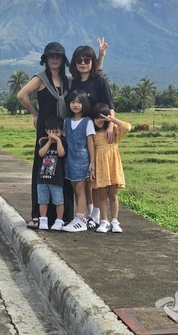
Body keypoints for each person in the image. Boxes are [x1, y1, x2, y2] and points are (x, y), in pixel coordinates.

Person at [17, 42, 72, 229]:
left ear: (63, 60)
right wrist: (35, 113)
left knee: (63, 169)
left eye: (58, 56)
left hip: (64, 131)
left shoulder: (68, 80)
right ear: (46, 59)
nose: (54, 59)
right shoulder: (40, 79)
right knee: (42, 170)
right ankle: (38, 216)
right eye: (51, 56)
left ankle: (63, 216)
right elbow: (22, 95)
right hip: (46, 131)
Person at [69, 43, 116, 230]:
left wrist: (111, 125)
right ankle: (88, 213)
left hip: (98, 134)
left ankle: (96, 215)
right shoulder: (73, 83)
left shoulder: (100, 82)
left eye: (87, 59)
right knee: (82, 177)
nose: (83, 63)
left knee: (95, 177)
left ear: (92, 62)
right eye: (79, 59)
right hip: (78, 135)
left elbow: (110, 104)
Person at [91, 103, 131, 233]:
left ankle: (115, 221)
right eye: (97, 117)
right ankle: (104, 221)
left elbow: (127, 127)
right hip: (100, 169)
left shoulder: (114, 133)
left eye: (103, 117)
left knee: (113, 195)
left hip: (113, 167)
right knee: (101, 196)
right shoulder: (93, 135)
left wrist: (113, 121)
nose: (100, 120)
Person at [62, 89, 96, 233]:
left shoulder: (87, 122)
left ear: (84, 104)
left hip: (82, 160)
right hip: (69, 159)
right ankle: (81, 216)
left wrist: (92, 162)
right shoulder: (66, 121)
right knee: (76, 189)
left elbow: (90, 142)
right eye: (73, 102)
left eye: (79, 102)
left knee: (81, 189)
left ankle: (81, 219)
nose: (76, 105)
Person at [36, 116, 67, 231]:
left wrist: (58, 140)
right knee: (43, 200)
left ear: (61, 132)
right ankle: (43, 219)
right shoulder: (44, 141)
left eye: (56, 132)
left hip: (56, 179)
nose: (53, 134)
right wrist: (49, 141)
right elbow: (41, 153)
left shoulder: (63, 142)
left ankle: (59, 220)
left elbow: (61, 154)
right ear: (46, 131)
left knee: (58, 201)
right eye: (50, 131)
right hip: (43, 177)